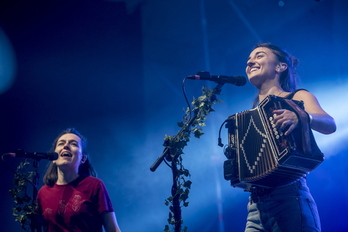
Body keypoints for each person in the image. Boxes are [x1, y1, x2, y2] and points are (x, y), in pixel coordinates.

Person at [241, 43, 336, 232]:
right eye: (249, 59)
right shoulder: (251, 116)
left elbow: (330, 124)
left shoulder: (298, 96)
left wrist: (301, 116)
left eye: (259, 56)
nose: (250, 61)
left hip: (289, 197)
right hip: (255, 205)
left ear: (280, 67)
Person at [36, 128, 122, 232]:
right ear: (53, 158)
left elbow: (112, 229)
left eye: (73, 144)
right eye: (61, 143)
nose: (65, 146)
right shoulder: (43, 192)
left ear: (83, 158)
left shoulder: (94, 185)